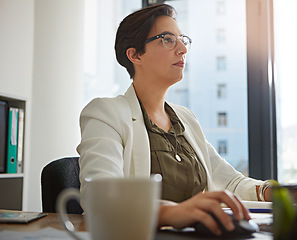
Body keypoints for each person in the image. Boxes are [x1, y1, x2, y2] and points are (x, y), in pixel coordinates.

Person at [77, 3, 272, 235]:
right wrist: (172, 213)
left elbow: (231, 183)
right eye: (167, 40)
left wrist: (277, 192)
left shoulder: (186, 119)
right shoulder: (105, 113)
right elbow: (100, 196)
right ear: (135, 55)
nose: (182, 49)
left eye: (182, 39)